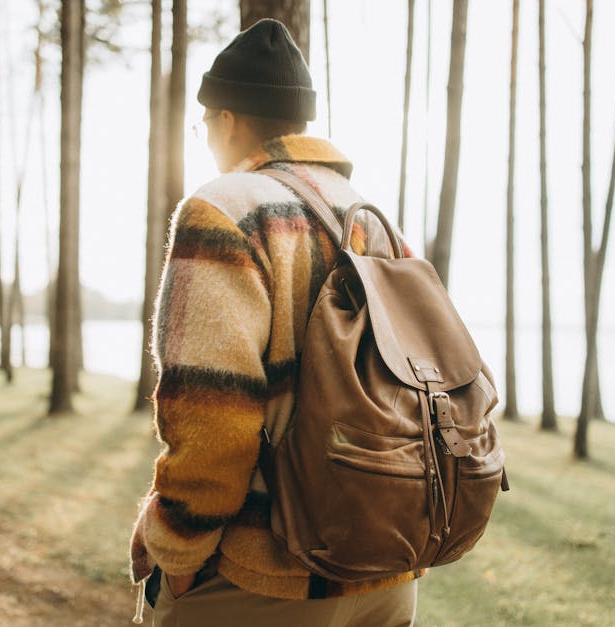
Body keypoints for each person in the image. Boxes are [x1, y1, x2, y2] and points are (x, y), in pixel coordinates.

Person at [130, 18, 418, 627]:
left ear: (226, 119)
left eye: (205, 124)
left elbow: (215, 414)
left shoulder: (223, 209)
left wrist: (178, 549)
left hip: (266, 576)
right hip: (387, 562)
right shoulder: (374, 218)